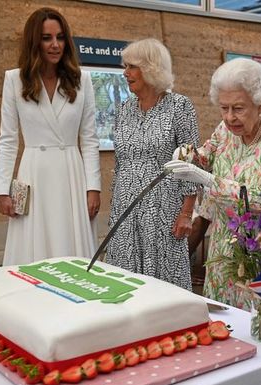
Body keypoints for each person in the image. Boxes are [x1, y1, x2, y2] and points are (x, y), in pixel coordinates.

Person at [166, 58, 261, 310]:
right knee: (224, 321)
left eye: (238, 108)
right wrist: (185, 154)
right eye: (224, 108)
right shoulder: (225, 129)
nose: (229, 117)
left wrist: (207, 180)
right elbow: (204, 156)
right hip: (223, 246)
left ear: (260, 102)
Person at [0, 7, 101, 265]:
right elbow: (7, 140)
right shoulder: (15, 80)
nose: (55, 45)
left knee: (73, 248)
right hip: (34, 173)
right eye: (46, 38)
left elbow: (89, 139)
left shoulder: (81, 80)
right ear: (34, 42)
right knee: (34, 251)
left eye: (60, 37)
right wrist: (1, 189)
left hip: (71, 174)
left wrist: (93, 187)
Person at [104, 38, 199, 291]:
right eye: (125, 67)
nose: (126, 73)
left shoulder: (180, 106)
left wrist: (187, 213)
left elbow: (190, 162)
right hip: (125, 207)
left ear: (151, 68)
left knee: (163, 284)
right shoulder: (124, 109)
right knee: (124, 281)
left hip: (163, 210)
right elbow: (121, 161)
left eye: (132, 67)